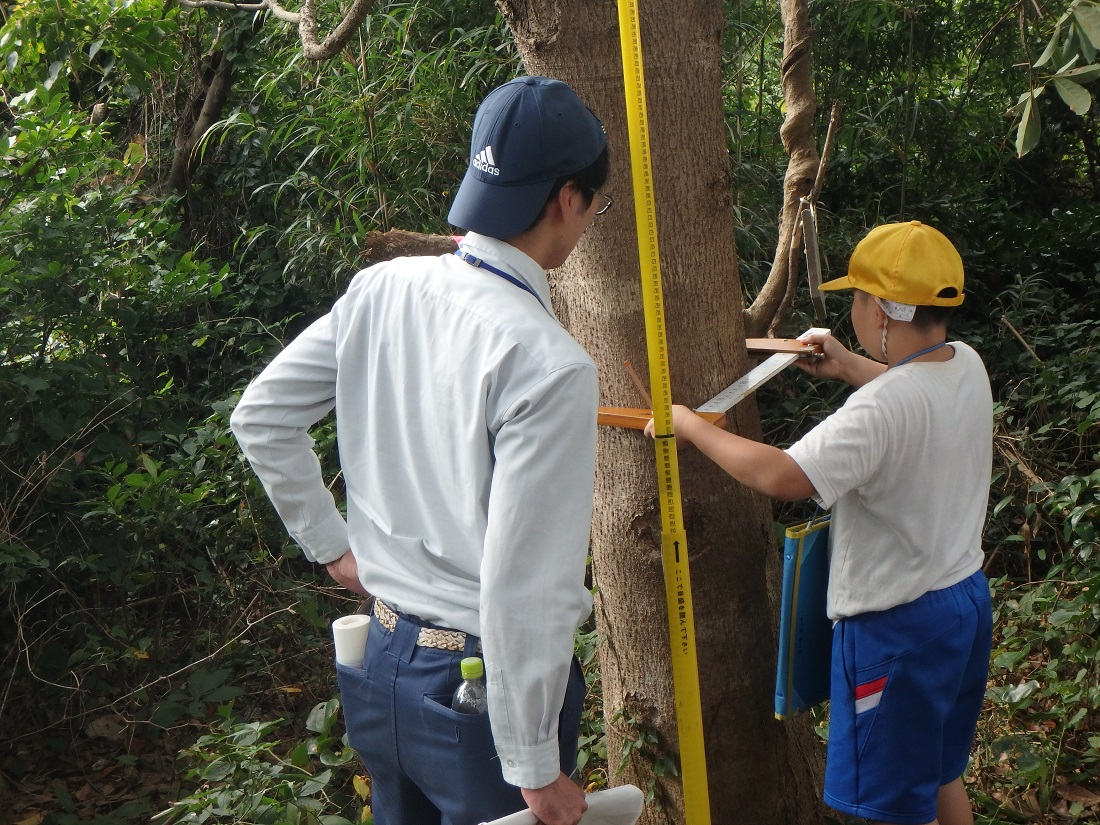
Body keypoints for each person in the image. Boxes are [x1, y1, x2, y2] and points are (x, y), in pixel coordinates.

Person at [231, 76, 611, 825]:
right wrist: (534, 763)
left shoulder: (383, 288)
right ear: (569, 199)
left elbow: (262, 414)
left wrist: (332, 544)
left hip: (381, 664)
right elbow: (524, 583)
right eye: (599, 201)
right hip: (479, 695)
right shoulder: (549, 363)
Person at [645, 221, 994, 825]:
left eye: (857, 298)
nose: (853, 310)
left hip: (897, 628)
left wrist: (690, 424)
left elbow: (784, 476)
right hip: (962, 606)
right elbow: (915, 394)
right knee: (940, 773)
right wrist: (847, 365)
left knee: (888, 808)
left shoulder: (881, 409)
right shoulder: (966, 364)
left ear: (883, 311)